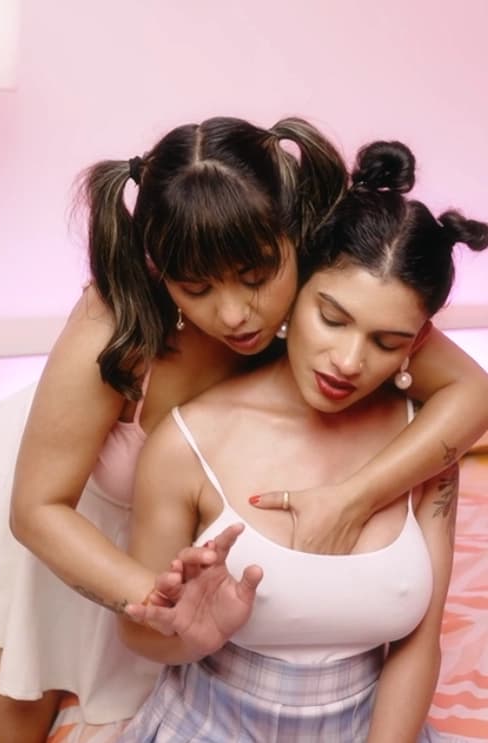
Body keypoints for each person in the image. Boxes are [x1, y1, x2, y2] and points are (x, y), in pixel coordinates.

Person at [0, 118, 485, 743]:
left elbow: (472, 394)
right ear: (161, 271)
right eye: (196, 288)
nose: (235, 314)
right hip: (58, 513)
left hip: (174, 541)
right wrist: (161, 601)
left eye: (256, 279)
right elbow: (36, 510)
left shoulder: (334, 293)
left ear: (295, 239)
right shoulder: (117, 325)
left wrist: (353, 498)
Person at [116, 140, 488, 742]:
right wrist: (190, 634)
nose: (349, 361)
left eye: (387, 342)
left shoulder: (423, 442)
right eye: (332, 319)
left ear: (418, 344)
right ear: (293, 291)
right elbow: (138, 634)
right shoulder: (186, 443)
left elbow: (419, 646)